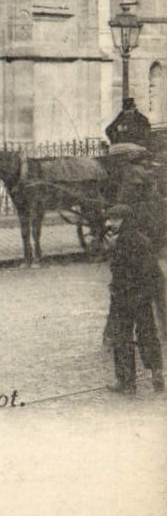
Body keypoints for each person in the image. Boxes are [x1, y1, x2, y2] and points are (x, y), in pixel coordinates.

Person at [105, 157, 165, 396]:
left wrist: (111, 249)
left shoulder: (124, 241)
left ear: (124, 220)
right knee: (148, 334)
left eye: (115, 219)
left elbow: (121, 270)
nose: (111, 222)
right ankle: (157, 375)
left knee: (122, 338)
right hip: (143, 297)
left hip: (125, 297)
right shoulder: (140, 239)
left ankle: (126, 383)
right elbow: (152, 272)